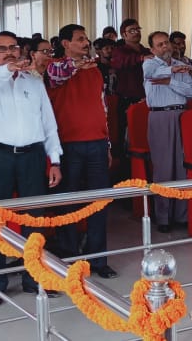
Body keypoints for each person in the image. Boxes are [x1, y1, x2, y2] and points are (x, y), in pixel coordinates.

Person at [0, 31, 63, 307]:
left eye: (13, 47)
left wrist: (55, 160)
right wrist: (9, 69)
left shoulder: (34, 82)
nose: (9, 53)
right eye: (2, 49)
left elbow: (48, 122)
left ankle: (33, 278)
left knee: (34, 220)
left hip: (32, 157)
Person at [47, 24, 118, 279]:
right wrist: (78, 65)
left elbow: (102, 108)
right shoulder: (54, 67)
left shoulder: (94, 70)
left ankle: (98, 259)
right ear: (65, 43)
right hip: (68, 145)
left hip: (97, 143)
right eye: (80, 39)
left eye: (86, 39)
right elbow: (59, 75)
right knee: (68, 203)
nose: (86, 43)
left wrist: (107, 144)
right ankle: (69, 259)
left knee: (99, 203)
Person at [143, 31, 192, 234]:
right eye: (160, 45)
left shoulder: (181, 65)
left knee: (182, 166)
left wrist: (170, 81)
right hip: (160, 116)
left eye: (166, 43)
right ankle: (163, 217)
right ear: (152, 49)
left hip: (182, 115)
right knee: (163, 167)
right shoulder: (149, 64)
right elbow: (153, 75)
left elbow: (191, 91)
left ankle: (182, 215)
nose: (165, 47)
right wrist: (173, 72)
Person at [111, 19, 151, 171]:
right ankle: (126, 171)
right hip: (128, 100)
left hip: (146, 100)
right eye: (132, 30)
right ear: (124, 35)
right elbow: (120, 62)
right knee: (127, 139)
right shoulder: (119, 51)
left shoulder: (146, 51)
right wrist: (141, 59)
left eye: (138, 29)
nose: (136, 33)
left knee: (145, 136)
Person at [169, 30, 192, 96]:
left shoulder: (191, 62)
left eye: (183, 43)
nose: (182, 46)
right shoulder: (167, 62)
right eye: (178, 44)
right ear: (171, 45)